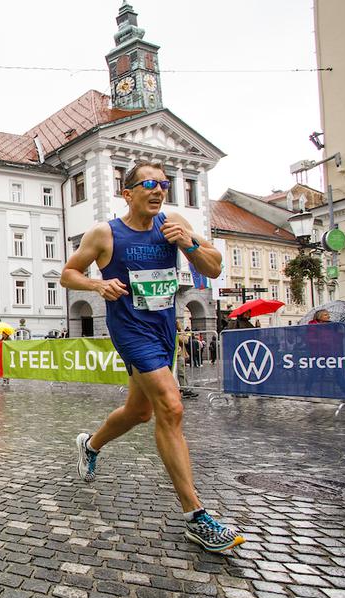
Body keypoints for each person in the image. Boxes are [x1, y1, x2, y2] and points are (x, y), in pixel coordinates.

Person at [60, 160, 243, 553]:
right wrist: (97, 283)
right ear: (128, 193)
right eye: (149, 184)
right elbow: (68, 274)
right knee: (171, 406)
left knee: (140, 412)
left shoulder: (172, 224)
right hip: (130, 331)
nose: (159, 190)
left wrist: (188, 243)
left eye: (163, 184)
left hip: (164, 328)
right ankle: (196, 516)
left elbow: (213, 268)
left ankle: (90, 445)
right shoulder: (105, 233)